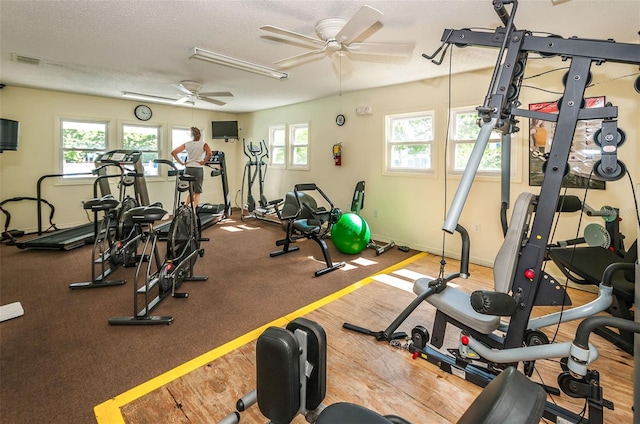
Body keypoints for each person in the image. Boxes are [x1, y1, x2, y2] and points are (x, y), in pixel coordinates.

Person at [171, 127, 212, 208]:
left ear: (191, 135)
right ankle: (193, 210)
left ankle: (186, 208)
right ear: (199, 135)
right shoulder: (203, 144)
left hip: (188, 168)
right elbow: (210, 153)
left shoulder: (187, 144)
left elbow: (174, 152)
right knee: (197, 191)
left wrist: (181, 163)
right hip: (198, 169)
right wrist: (204, 161)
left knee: (191, 191)